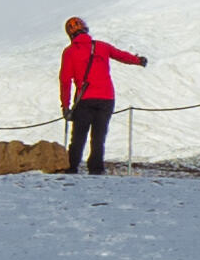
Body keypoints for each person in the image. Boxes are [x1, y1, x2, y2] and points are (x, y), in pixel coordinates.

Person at [58, 16, 149, 173]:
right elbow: (121, 55)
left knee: (79, 136)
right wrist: (138, 60)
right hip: (106, 98)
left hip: (85, 99)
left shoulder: (70, 52)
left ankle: (72, 167)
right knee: (98, 137)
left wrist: (65, 106)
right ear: (85, 29)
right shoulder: (101, 47)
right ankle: (96, 169)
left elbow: (65, 81)